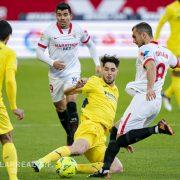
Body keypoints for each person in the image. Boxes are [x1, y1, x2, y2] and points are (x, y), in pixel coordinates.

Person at [89, 22, 179, 178]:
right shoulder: (166, 52)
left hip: (144, 98)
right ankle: (105, 170)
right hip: (155, 102)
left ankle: (158, 128)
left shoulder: (145, 49)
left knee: (120, 139)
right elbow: (177, 63)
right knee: (116, 130)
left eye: (134, 36)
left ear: (144, 35)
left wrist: (150, 88)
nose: (133, 40)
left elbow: (151, 66)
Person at [31, 55, 123, 174]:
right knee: (77, 149)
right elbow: (67, 92)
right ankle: (41, 162)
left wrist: (121, 139)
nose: (109, 73)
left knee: (116, 167)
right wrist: (76, 86)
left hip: (100, 137)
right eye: (106, 69)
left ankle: (72, 168)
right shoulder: (94, 81)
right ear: (101, 69)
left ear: (117, 72)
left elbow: (108, 116)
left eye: (112, 70)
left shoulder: (115, 91)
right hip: (90, 127)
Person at [36, 2, 101, 145]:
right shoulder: (49, 31)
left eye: (65, 15)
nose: (62, 18)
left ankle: (76, 136)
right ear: (56, 15)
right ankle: (70, 134)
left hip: (73, 70)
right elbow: (39, 53)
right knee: (59, 106)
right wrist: (53, 63)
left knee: (71, 97)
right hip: (55, 74)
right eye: (59, 15)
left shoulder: (78, 30)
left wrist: (97, 63)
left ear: (70, 16)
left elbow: (91, 45)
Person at [0, 20, 24, 180]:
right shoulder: (8, 52)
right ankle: (13, 178)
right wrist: (14, 106)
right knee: (6, 136)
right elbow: (9, 81)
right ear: (8, 37)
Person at [154, 0, 180, 111]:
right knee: (177, 77)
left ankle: (167, 94)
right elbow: (161, 23)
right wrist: (154, 40)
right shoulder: (171, 8)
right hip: (175, 48)